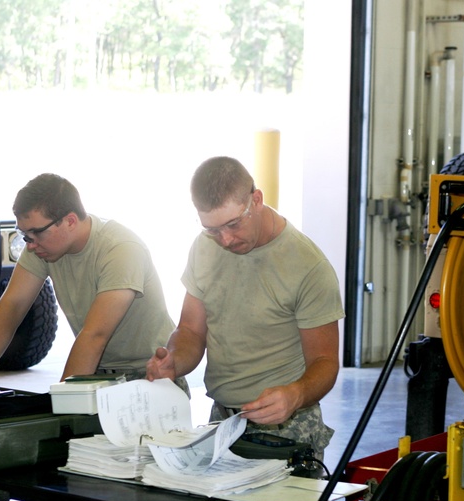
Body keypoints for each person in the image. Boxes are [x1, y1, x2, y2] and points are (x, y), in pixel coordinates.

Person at [0, 172, 184, 501]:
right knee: (50, 490)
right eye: (24, 235)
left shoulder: (120, 249)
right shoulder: (42, 249)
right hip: (94, 380)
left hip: (148, 384)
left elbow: (95, 334)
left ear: (70, 220)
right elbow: (12, 306)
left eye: (35, 234)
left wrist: (60, 412)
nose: (28, 244)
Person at [146, 155, 343, 454]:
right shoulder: (204, 247)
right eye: (212, 229)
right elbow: (191, 330)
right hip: (222, 420)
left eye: (234, 223)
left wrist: (295, 394)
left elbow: (325, 362)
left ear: (257, 200)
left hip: (287, 428)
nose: (225, 239)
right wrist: (174, 361)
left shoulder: (307, 266)